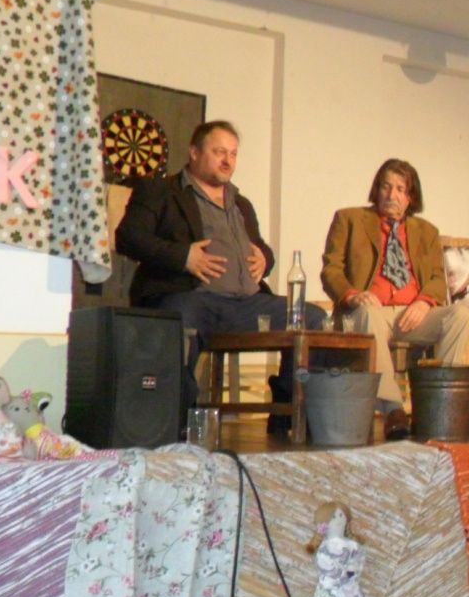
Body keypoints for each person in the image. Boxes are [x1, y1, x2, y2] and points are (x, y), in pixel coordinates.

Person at [115, 120, 325, 430]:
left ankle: (287, 411)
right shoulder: (160, 191)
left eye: (233, 154)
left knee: (314, 317)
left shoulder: (241, 203)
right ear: (194, 152)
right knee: (178, 321)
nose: (228, 160)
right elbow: (128, 237)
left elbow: (260, 247)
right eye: (219, 152)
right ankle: (177, 422)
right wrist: (183, 257)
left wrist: (264, 259)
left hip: (247, 305)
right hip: (192, 297)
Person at [320, 158, 469, 431]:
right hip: (370, 312)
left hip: (413, 314)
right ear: (377, 189)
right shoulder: (349, 219)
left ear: (410, 197)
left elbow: (438, 278)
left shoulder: (427, 231)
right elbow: (331, 269)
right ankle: (393, 410)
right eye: (386, 186)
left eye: (400, 189)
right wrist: (352, 295)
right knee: (368, 313)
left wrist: (424, 302)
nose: (391, 195)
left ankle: (438, 402)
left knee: (462, 315)